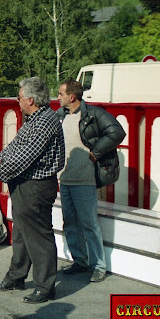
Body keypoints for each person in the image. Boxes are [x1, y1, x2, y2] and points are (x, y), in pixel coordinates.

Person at [0, 77, 65, 304]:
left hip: (35, 187)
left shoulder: (45, 121)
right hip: (25, 185)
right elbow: (16, 146)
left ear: (30, 99)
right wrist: (0, 158)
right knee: (20, 234)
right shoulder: (35, 119)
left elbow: (25, 155)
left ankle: (45, 287)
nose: (17, 101)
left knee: (39, 237)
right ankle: (16, 277)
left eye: (19, 97)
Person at [56, 80, 125, 283]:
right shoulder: (60, 116)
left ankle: (99, 266)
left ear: (72, 96)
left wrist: (96, 152)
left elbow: (117, 132)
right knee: (70, 223)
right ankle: (80, 261)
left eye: (60, 94)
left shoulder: (93, 114)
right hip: (65, 178)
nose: (57, 97)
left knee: (89, 224)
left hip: (85, 179)